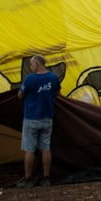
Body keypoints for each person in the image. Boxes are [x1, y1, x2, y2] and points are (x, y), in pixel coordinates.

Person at [17, 54, 61, 187]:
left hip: (31, 118)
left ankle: (28, 179)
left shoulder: (30, 79)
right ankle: (46, 178)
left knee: (30, 149)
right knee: (45, 149)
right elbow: (58, 93)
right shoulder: (53, 77)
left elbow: (20, 95)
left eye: (31, 64)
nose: (30, 67)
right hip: (47, 118)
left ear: (36, 64)